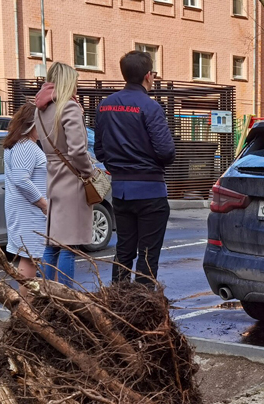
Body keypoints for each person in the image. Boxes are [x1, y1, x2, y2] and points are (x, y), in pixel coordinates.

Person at [95, 50, 176, 285]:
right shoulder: (149, 107)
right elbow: (166, 151)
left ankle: (117, 304)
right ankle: (141, 309)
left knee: (124, 252)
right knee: (148, 256)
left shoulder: (105, 106)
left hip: (120, 191)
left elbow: (99, 150)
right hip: (150, 191)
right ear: (148, 75)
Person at [34, 61, 94, 286]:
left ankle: (46, 297)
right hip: (72, 179)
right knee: (69, 245)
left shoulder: (40, 109)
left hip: (54, 176)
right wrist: (88, 172)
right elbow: (78, 150)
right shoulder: (68, 107)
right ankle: (66, 299)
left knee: (53, 244)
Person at [2, 102, 48, 293]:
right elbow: (21, 179)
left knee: (28, 257)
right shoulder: (25, 146)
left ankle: (26, 307)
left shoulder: (16, 145)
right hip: (29, 211)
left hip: (24, 208)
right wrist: (42, 202)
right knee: (30, 258)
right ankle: (26, 308)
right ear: (32, 124)